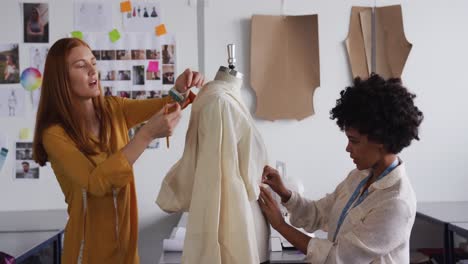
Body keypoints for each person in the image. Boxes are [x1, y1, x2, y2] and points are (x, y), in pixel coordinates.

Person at [32, 38, 204, 263]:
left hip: (126, 253)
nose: (93, 70)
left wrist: (180, 89)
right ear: (61, 79)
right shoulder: (54, 135)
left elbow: (162, 107)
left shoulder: (113, 109)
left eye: (93, 62)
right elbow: (96, 183)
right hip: (87, 256)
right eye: (81, 65)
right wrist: (146, 135)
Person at [258, 74, 424, 263]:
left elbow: (338, 258)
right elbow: (318, 213)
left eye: (354, 141)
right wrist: (285, 193)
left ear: (380, 141)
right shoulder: (358, 177)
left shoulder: (396, 203)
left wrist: (280, 225)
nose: (347, 148)